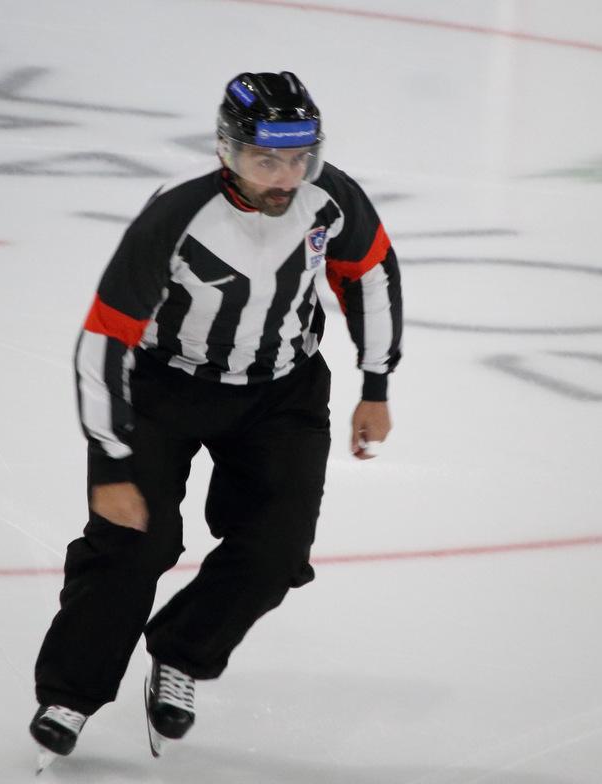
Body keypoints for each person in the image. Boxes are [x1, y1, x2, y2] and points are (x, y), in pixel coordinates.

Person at [29, 71, 403, 761]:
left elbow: (371, 275)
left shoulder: (331, 198)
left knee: (276, 551)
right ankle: (70, 694)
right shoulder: (176, 215)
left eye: (301, 158)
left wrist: (375, 384)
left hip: (281, 397)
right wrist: (111, 461)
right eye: (268, 160)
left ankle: (182, 653)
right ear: (227, 151)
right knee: (133, 544)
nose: (286, 177)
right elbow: (104, 338)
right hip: (164, 391)